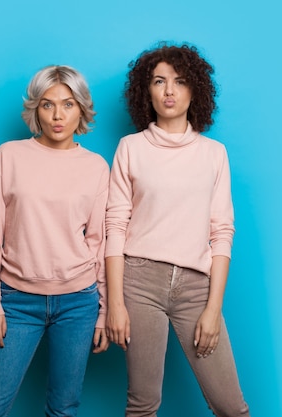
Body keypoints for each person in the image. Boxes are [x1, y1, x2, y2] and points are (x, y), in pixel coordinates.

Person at [104, 43, 251, 417]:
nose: (169, 91)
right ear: (146, 91)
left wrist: (213, 309)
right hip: (139, 283)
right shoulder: (130, 148)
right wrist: (116, 304)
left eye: (180, 81)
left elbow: (221, 232)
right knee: (142, 404)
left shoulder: (213, 153)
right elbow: (115, 227)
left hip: (196, 289)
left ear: (194, 90)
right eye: (159, 81)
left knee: (231, 407)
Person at [0, 65, 109, 417]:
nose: (57, 115)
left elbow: (99, 242)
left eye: (68, 104)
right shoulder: (9, 156)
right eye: (47, 105)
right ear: (35, 109)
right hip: (16, 301)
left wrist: (104, 310)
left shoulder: (96, 167)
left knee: (63, 409)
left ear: (81, 109)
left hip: (78, 303)